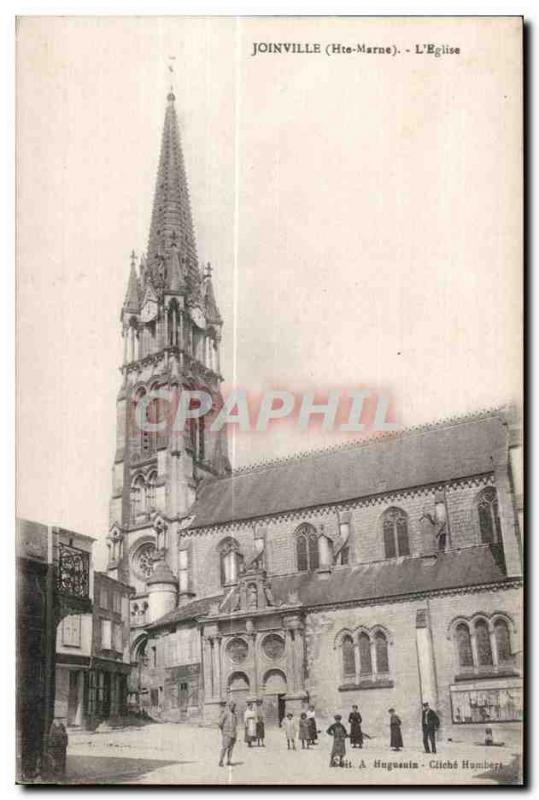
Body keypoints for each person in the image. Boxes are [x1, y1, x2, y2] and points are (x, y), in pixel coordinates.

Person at [218, 701, 238, 767]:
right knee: (224, 748)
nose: (233, 707)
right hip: (226, 734)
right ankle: (221, 761)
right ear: (229, 706)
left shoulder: (235, 715)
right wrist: (223, 731)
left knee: (231, 748)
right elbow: (220, 723)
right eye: (232, 706)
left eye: (234, 706)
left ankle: (229, 761)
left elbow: (236, 724)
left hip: (233, 734)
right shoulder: (225, 714)